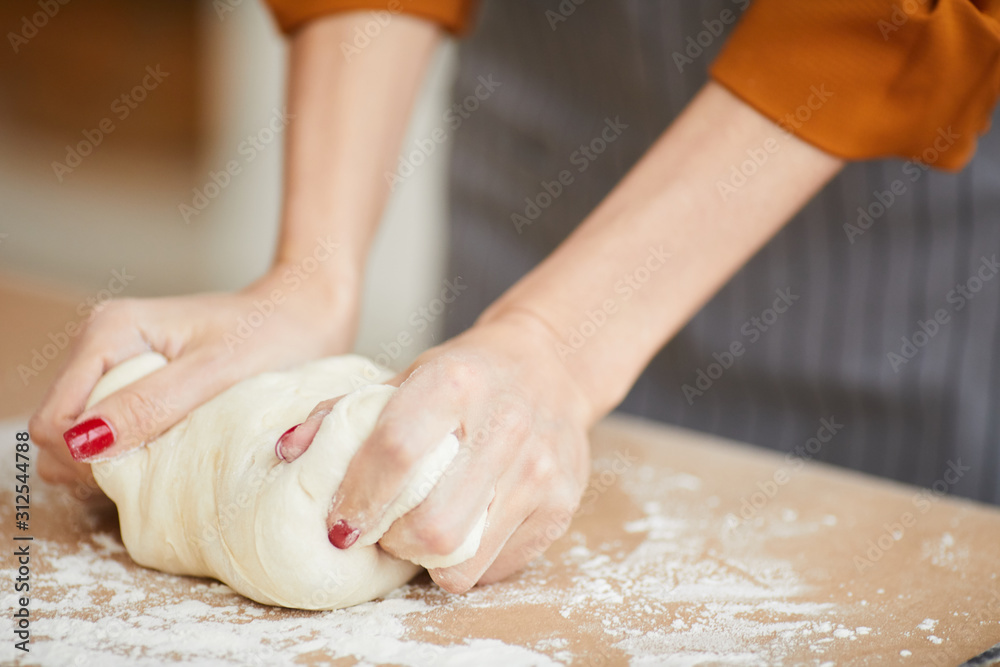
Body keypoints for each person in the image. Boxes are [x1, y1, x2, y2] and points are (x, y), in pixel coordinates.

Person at [30, 0, 1000, 594]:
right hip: (555, 104)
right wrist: (313, 272)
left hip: (884, 197)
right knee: (462, 484)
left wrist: (558, 341)